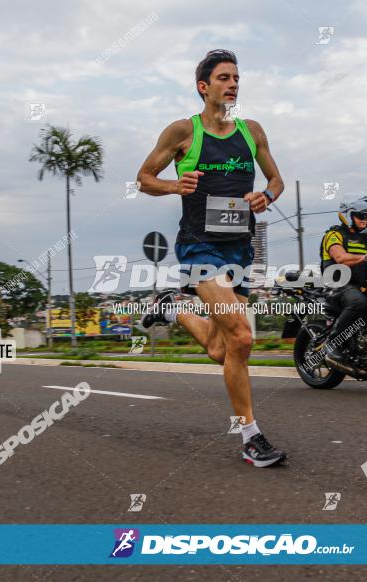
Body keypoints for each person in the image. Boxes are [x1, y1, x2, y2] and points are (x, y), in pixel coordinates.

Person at [136, 49, 287, 467]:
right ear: (204, 87)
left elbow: (276, 178)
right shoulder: (183, 132)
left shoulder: (252, 131)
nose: (233, 84)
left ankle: (174, 308)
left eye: (236, 77)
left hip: (240, 248)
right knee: (242, 337)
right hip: (199, 247)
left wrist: (266, 195)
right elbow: (144, 178)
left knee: (223, 351)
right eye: (223, 77)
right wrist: (174, 186)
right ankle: (250, 437)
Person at [319, 194, 367, 369]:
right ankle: (332, 344)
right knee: (359, 302)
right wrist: (366, 256)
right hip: (338, 285)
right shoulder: (334, 234)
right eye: (360, 215)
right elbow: (340, 257)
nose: (364, 219)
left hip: (361, 285)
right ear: (347, 214)